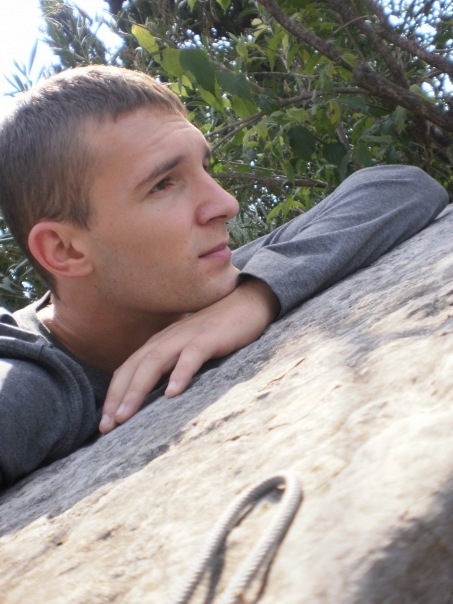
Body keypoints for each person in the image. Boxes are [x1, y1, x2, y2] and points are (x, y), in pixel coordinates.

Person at [0, 66, 448, 488]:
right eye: (163, 184)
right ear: (65, 249)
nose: (225, 204)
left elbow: (399, 186)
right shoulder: (27, 381)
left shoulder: (200, 284)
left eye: (204, 167)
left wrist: (254, 298)